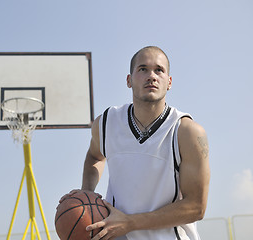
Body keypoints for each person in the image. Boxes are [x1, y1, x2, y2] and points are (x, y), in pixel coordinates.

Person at [60, 46, 210, 240]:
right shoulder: (107, 123)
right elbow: (94, 156)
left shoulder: (187, 132)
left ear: (169, 82)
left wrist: (130, 223)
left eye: (159, 70)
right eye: (142, 69)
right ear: (129, 80)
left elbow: (196, 208)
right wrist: (86, 195)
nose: (152, 76)